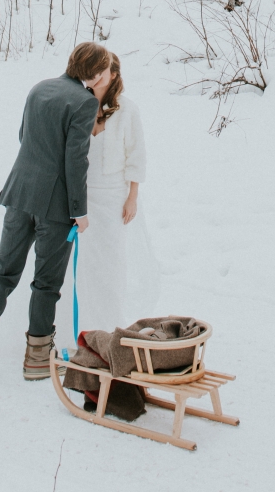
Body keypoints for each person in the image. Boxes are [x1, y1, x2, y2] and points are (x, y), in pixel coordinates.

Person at [0, 42, 110, 381]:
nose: (105, 74)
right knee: (46, 283)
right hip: (55, 205)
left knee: (3, 273)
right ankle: (35, 359)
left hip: (19, 193)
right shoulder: (85, 101)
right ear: (94, 71)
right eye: (102, 68)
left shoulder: (39, 88)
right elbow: (76, 160)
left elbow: (24, 136)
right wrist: (80, 210)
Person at [70, 51, 158, 344]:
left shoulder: (127, 109)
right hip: (83, 197)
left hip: (114, 198)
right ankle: (82, 329)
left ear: (114, 74)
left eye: (101, 72)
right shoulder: (80, 103)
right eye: (91, 72)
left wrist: (132, 197)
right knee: (83, 267)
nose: (94, 77)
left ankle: (111, 328)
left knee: (112, 264)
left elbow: (137, 155)